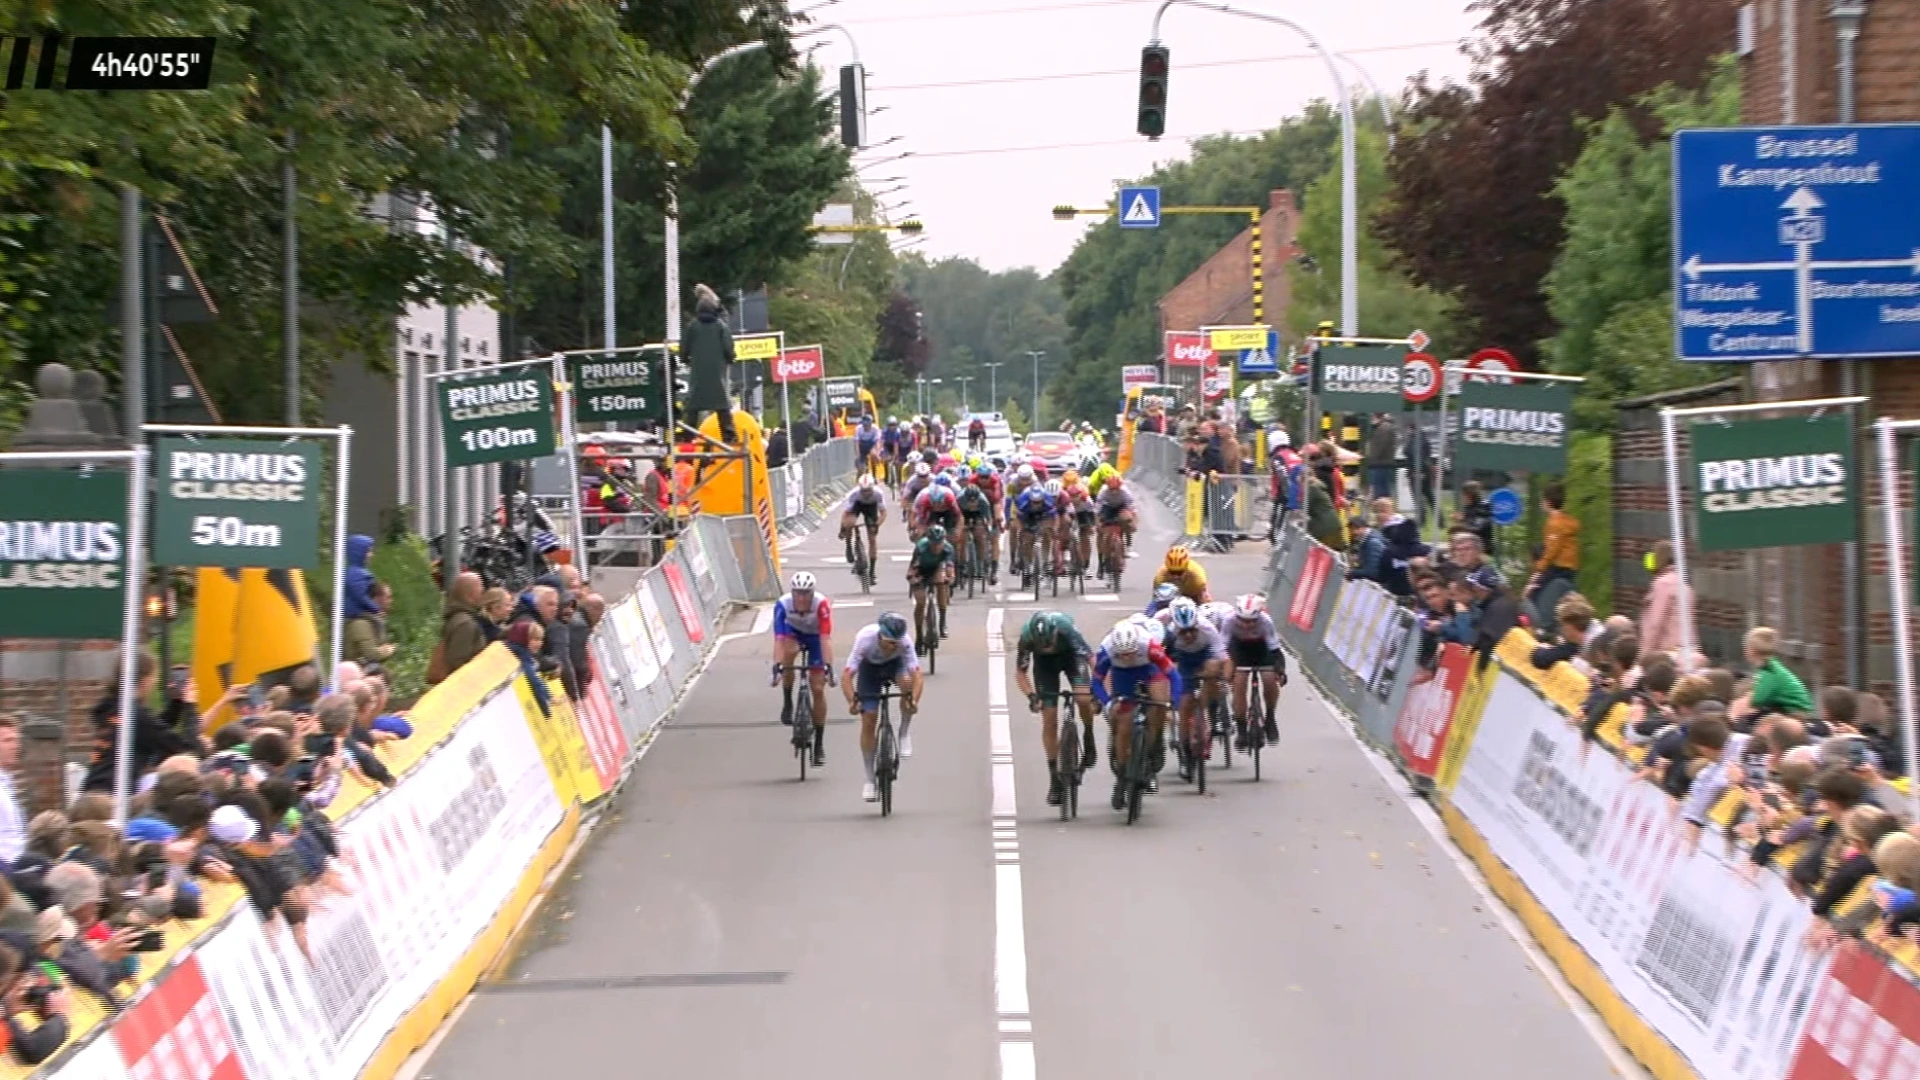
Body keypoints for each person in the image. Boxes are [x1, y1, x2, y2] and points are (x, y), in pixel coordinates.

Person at [1014, 611, 1099, 806]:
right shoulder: (1027, 637)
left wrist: (1096, 688)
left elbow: (1091, 659)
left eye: (1049, 643)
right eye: (1041, 645)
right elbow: (1020, 672)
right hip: (1045, 667)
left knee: (1083, 698)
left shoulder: (1066, 629)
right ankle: (1054, 778)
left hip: (1071, 658)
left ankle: (1088, 734)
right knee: (1049, 719)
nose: (1047, 648)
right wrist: (1032, 696)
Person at [840, 613, 923, 804]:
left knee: (907, 685)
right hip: (869, 669)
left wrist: (914, 701)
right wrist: (852, 701)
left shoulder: (905, 643)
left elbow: (918, 675)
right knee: (869, 719)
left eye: (896, 643)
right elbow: (847, 676)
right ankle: (869, 780)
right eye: (889, 643)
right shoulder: (865, 639)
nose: (893, 647)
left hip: (896, 666)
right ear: (880, 637)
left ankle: (903, 732)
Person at [1092, 621, 1175, 809]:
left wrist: (1173, 703)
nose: (1128, 657)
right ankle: (1121, 778)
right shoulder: (1106, 650)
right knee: (1123, 724)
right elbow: (1096, 683)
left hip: (1149, 670)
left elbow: (1172, 675)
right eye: (1123, 654)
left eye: (1131, 653)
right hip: (1122, 676)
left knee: (1159, 705)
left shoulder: (1149, 645)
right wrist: (1108, 702)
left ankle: (1155, 745)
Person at [771, 572, 834, 769]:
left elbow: (825, 639)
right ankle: (788, 701)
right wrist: (777, 668)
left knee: (817, 688)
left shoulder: (821, 604)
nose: (801, 598)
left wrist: (829, 668)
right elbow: (779, 640)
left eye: (806, 593)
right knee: (789, 653)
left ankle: (819, 743)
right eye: (798, 593)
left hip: (816, 638)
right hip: (793, 634)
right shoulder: (783, 604)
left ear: (812, 593)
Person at [1162, 599, 1228, 781]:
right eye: (1184, 631)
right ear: (1176, 627)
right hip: (1182, 659)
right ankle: (1185, 755)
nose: (1189, 635)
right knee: (1184, 707)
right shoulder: (1167, 632)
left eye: (1192, 630)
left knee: (1214, 670)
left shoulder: (1207, 628)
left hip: (1205, 655)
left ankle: (1208, 708)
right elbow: (1160, 660)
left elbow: (1222, 656)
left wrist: (1222, 676)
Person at [1222, 593, 1285, 746]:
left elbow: (1275, 649)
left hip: (1262, 650)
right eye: (1242, 620)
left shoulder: (1266, 621)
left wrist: (1280, 670)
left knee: (1269, 679)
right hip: (1239, 650)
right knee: (1239, 684)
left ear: (1259, 616)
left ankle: (1270, 717)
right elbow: (1222, 648)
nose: (1246, 625)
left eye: (1251, 622)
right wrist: (1226, 672)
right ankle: (1241, 728)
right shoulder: (1229, 621)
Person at [680, 283, 738, 445]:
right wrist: (731, 358)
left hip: (698, 371)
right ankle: (729, 435)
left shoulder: (692, 326)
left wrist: (685, 359)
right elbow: (728, 347)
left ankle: (688, 435)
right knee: (722, 406)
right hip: (717, 371)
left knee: (693, 405)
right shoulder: (720, 326)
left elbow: (684, 348)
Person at [1525, 481, 1581, 627]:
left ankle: (1541, 627)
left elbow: (1552, 549)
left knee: (1534, 594)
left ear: (1548, 502)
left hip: (1558, 567)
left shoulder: (1554, 523)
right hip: (1570, 567)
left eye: (1542, 500)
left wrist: (1540, 567)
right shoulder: (1567, 521)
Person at [434, 571, 491, 683]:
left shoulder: (458, 618)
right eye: (480, 587)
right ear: (469, 594)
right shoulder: (465, 624)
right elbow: (457, 663)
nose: (483, 591)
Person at [906, 524, 956, 640]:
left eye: (939, 543)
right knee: (920, 602)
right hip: (921, 569)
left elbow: (949, 567)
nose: (936, 547)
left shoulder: (948, 548)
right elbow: (913, 567)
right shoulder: (921, 547)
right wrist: (913, 578)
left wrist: (950, 577)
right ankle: (919, 635)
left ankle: (942, 622)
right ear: (929, 541)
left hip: (937, 568)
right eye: (933, 543)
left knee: (941, 582)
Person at [343, 580, 396, 666]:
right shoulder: (360, 623)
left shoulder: (374, 622)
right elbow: (372, 656)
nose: (391, 601)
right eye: (388, 597)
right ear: (376, 598)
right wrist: (388, 650)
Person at [839, 473, 889, 559]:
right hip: (857, 505)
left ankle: (872, 565)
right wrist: (843, 528)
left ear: (872, 487)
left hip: (871, 507)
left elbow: (883, 513)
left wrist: (876, 525)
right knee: (849, 522)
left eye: (868, 490)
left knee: (872, 537)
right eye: (863, 491)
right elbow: (846, 513)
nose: (866, 493)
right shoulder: (855, 494)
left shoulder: (878, 493)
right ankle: (848, 544)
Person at [913, 473, 963, 540]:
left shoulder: (949, 498)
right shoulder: (925, 500)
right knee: (929, 530)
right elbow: (921, 519)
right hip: (933, 512)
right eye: (934, 503)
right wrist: (921, 532)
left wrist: (958, 531)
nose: (937, 506)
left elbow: (959, 516)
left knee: (951, 532)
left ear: (943, 499)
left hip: (948, 511)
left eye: (939, 503)